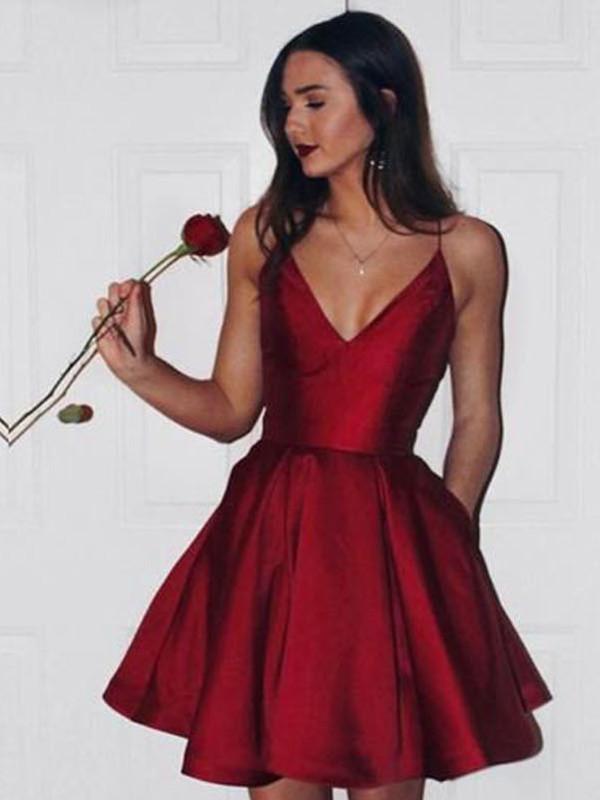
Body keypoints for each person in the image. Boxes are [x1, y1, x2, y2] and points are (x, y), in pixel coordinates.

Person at [93, 11, 553, 800]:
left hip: (394, 542)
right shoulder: (265, 233)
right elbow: (231, 409)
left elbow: (478, 416)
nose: (293, 124)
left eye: (313, 101)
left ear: (384, 103)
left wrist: (448, 533)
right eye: (285, 107)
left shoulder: (468, 246)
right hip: (275, 536)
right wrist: (139, 369)